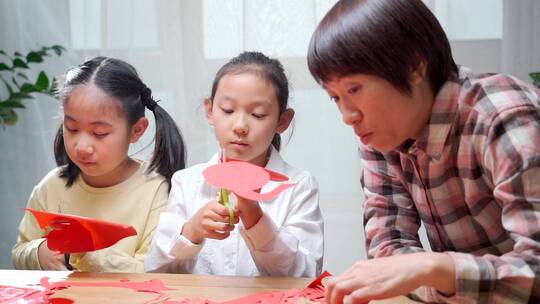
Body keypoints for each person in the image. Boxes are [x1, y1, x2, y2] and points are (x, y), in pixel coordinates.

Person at [307, 0, 540, 303]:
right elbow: (388, 252)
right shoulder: (383, 135)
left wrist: (434, 267)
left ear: (414, 66)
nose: (347, 115)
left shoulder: (503, 117)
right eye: (335, 97)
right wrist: (429, 275)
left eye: (354, 89)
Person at [145, 51, 324, 277]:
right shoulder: (187, 182)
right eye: (228, 110)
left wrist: (255, 219)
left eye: (258, 114)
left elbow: (306, 276)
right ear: (210, 111)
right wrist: (191, 231)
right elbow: (155, 270)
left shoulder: (299, 186)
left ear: (282, 121)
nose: (240, 126)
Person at [12, 56, 186, 272]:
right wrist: (39, 252)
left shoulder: (155, 190)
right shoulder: (52, 185)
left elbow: (152, 270)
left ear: (136, 130)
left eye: (99, 133)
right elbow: (19, 251)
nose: (82, 146)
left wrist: (87, 255)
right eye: (72, 128)